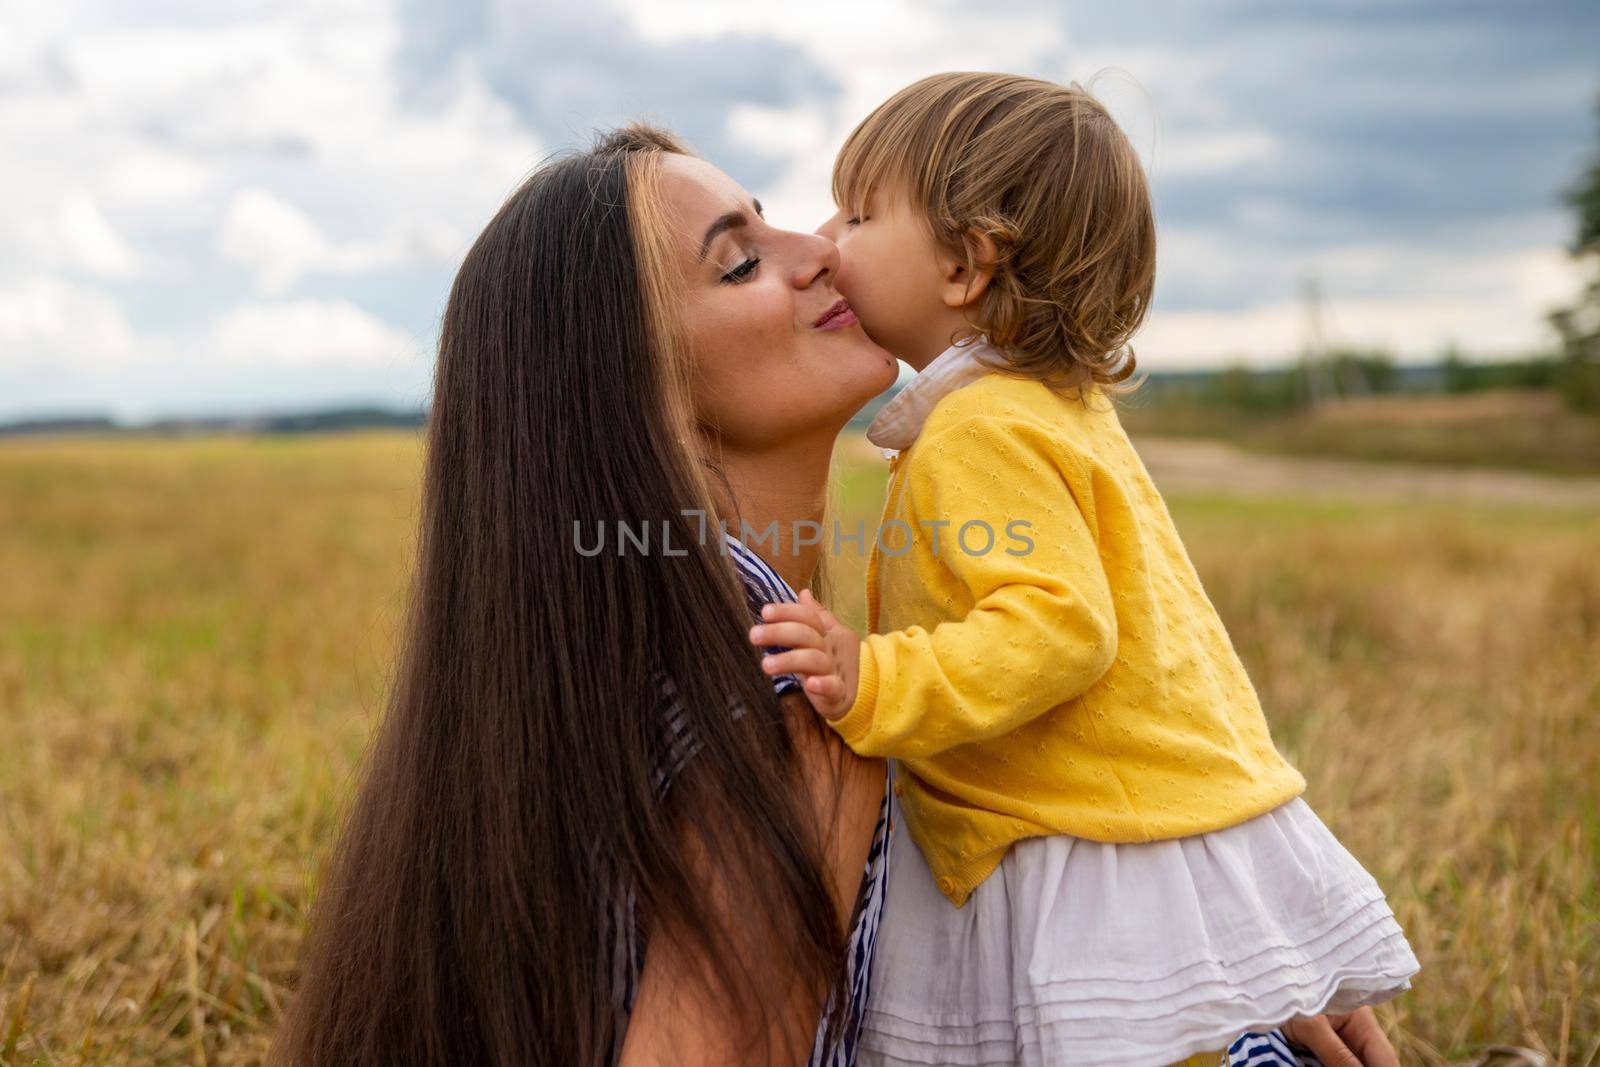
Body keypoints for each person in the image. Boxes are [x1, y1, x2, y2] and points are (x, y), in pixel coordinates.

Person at [749, 72, 1420, 1066]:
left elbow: (1057, 624)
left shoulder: (979, 427)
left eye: (859, 211)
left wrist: (875, 676)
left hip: (1079, 833)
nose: (826, 234)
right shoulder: (1046, 406)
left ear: (966, 264)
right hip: (1134, 813)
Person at [271, 124, 899, 1067]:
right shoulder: (795, 689)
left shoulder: (567, 675)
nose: (823, 249)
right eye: (738, 266)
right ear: (626, 387)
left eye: (771, 225)